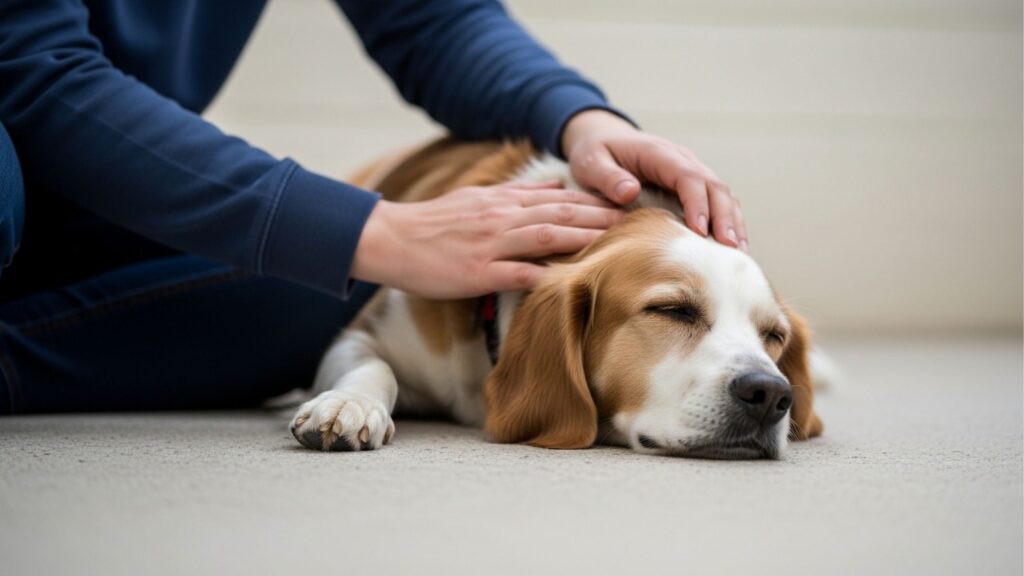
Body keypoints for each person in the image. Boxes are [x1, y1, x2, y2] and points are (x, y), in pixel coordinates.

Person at [0, 0, 746, 414]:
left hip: (78, 190)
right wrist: (375, 227)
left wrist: (583, 120)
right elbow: (33, 69)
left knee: (319, 288)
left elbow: (430, 18)